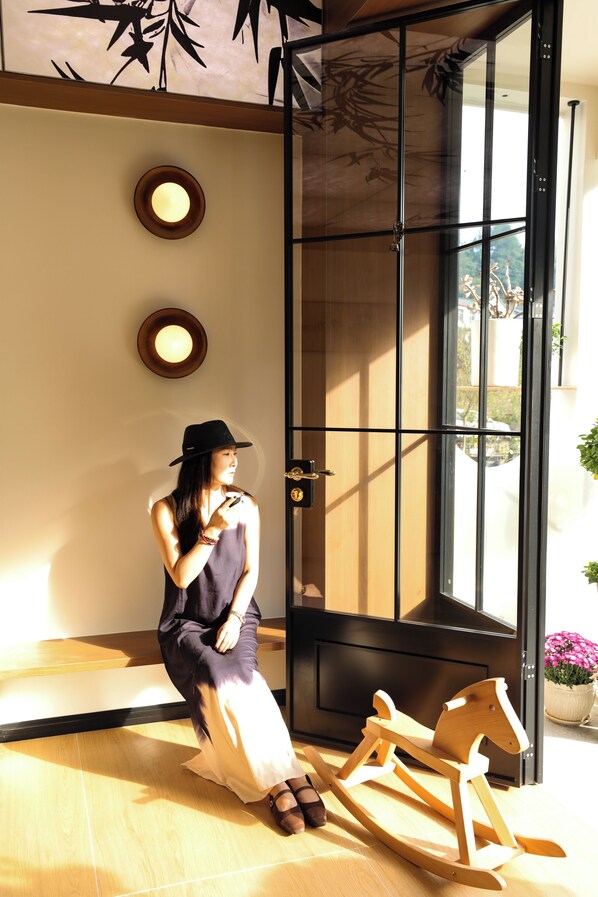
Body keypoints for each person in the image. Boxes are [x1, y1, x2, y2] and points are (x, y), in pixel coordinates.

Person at [151, 419, 326, 835]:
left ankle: (289, 774)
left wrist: (234, 617)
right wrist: (211, 530)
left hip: (237, 614)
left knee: (245, 678)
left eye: (235, 454)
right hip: (186, 623)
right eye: (227, 454)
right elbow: (181, 577)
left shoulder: (247, 504)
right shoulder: (166, 510)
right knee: (217, 674)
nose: (235, 461)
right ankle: (278, 783)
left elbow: (251, 571)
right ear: (202, 460)